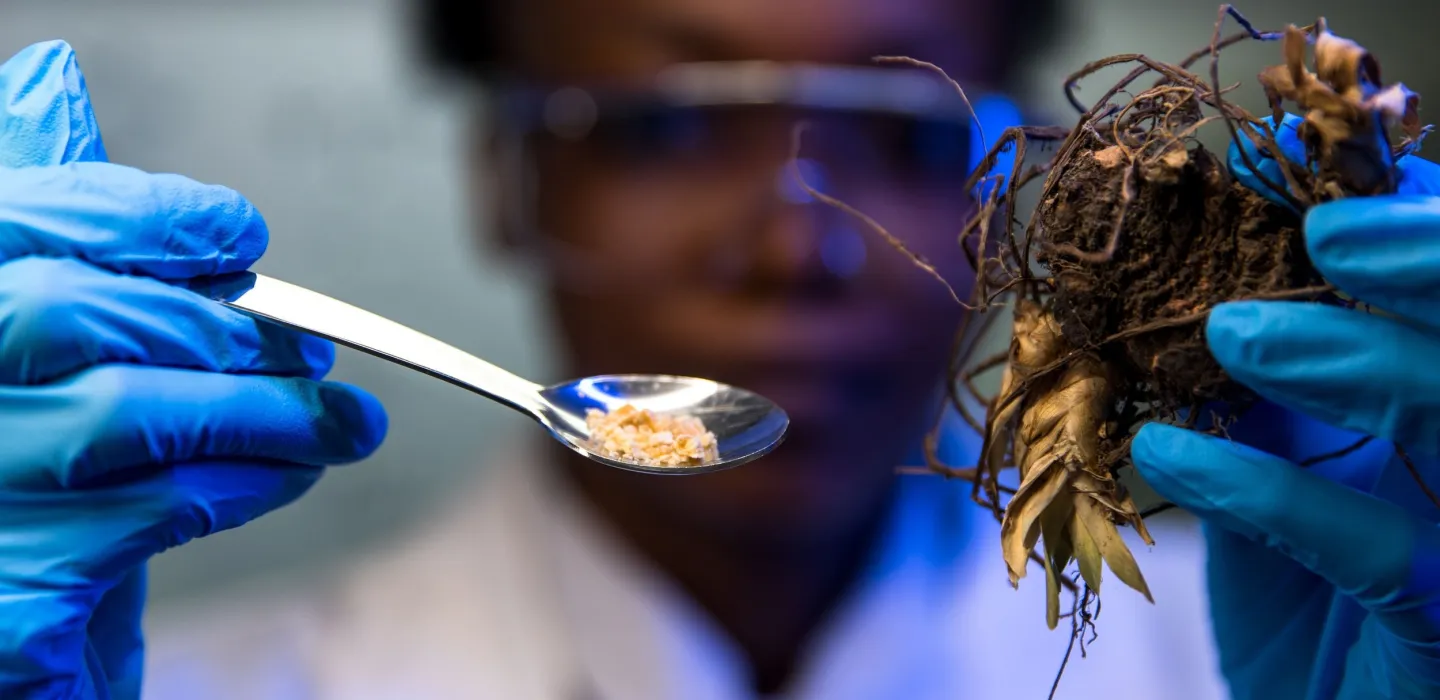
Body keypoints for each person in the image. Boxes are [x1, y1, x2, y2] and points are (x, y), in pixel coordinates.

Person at [0, 0, 1437, 696]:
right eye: (666, 127)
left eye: (899, 132)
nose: (794, 244)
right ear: (505, 180)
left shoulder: (1274, 667)